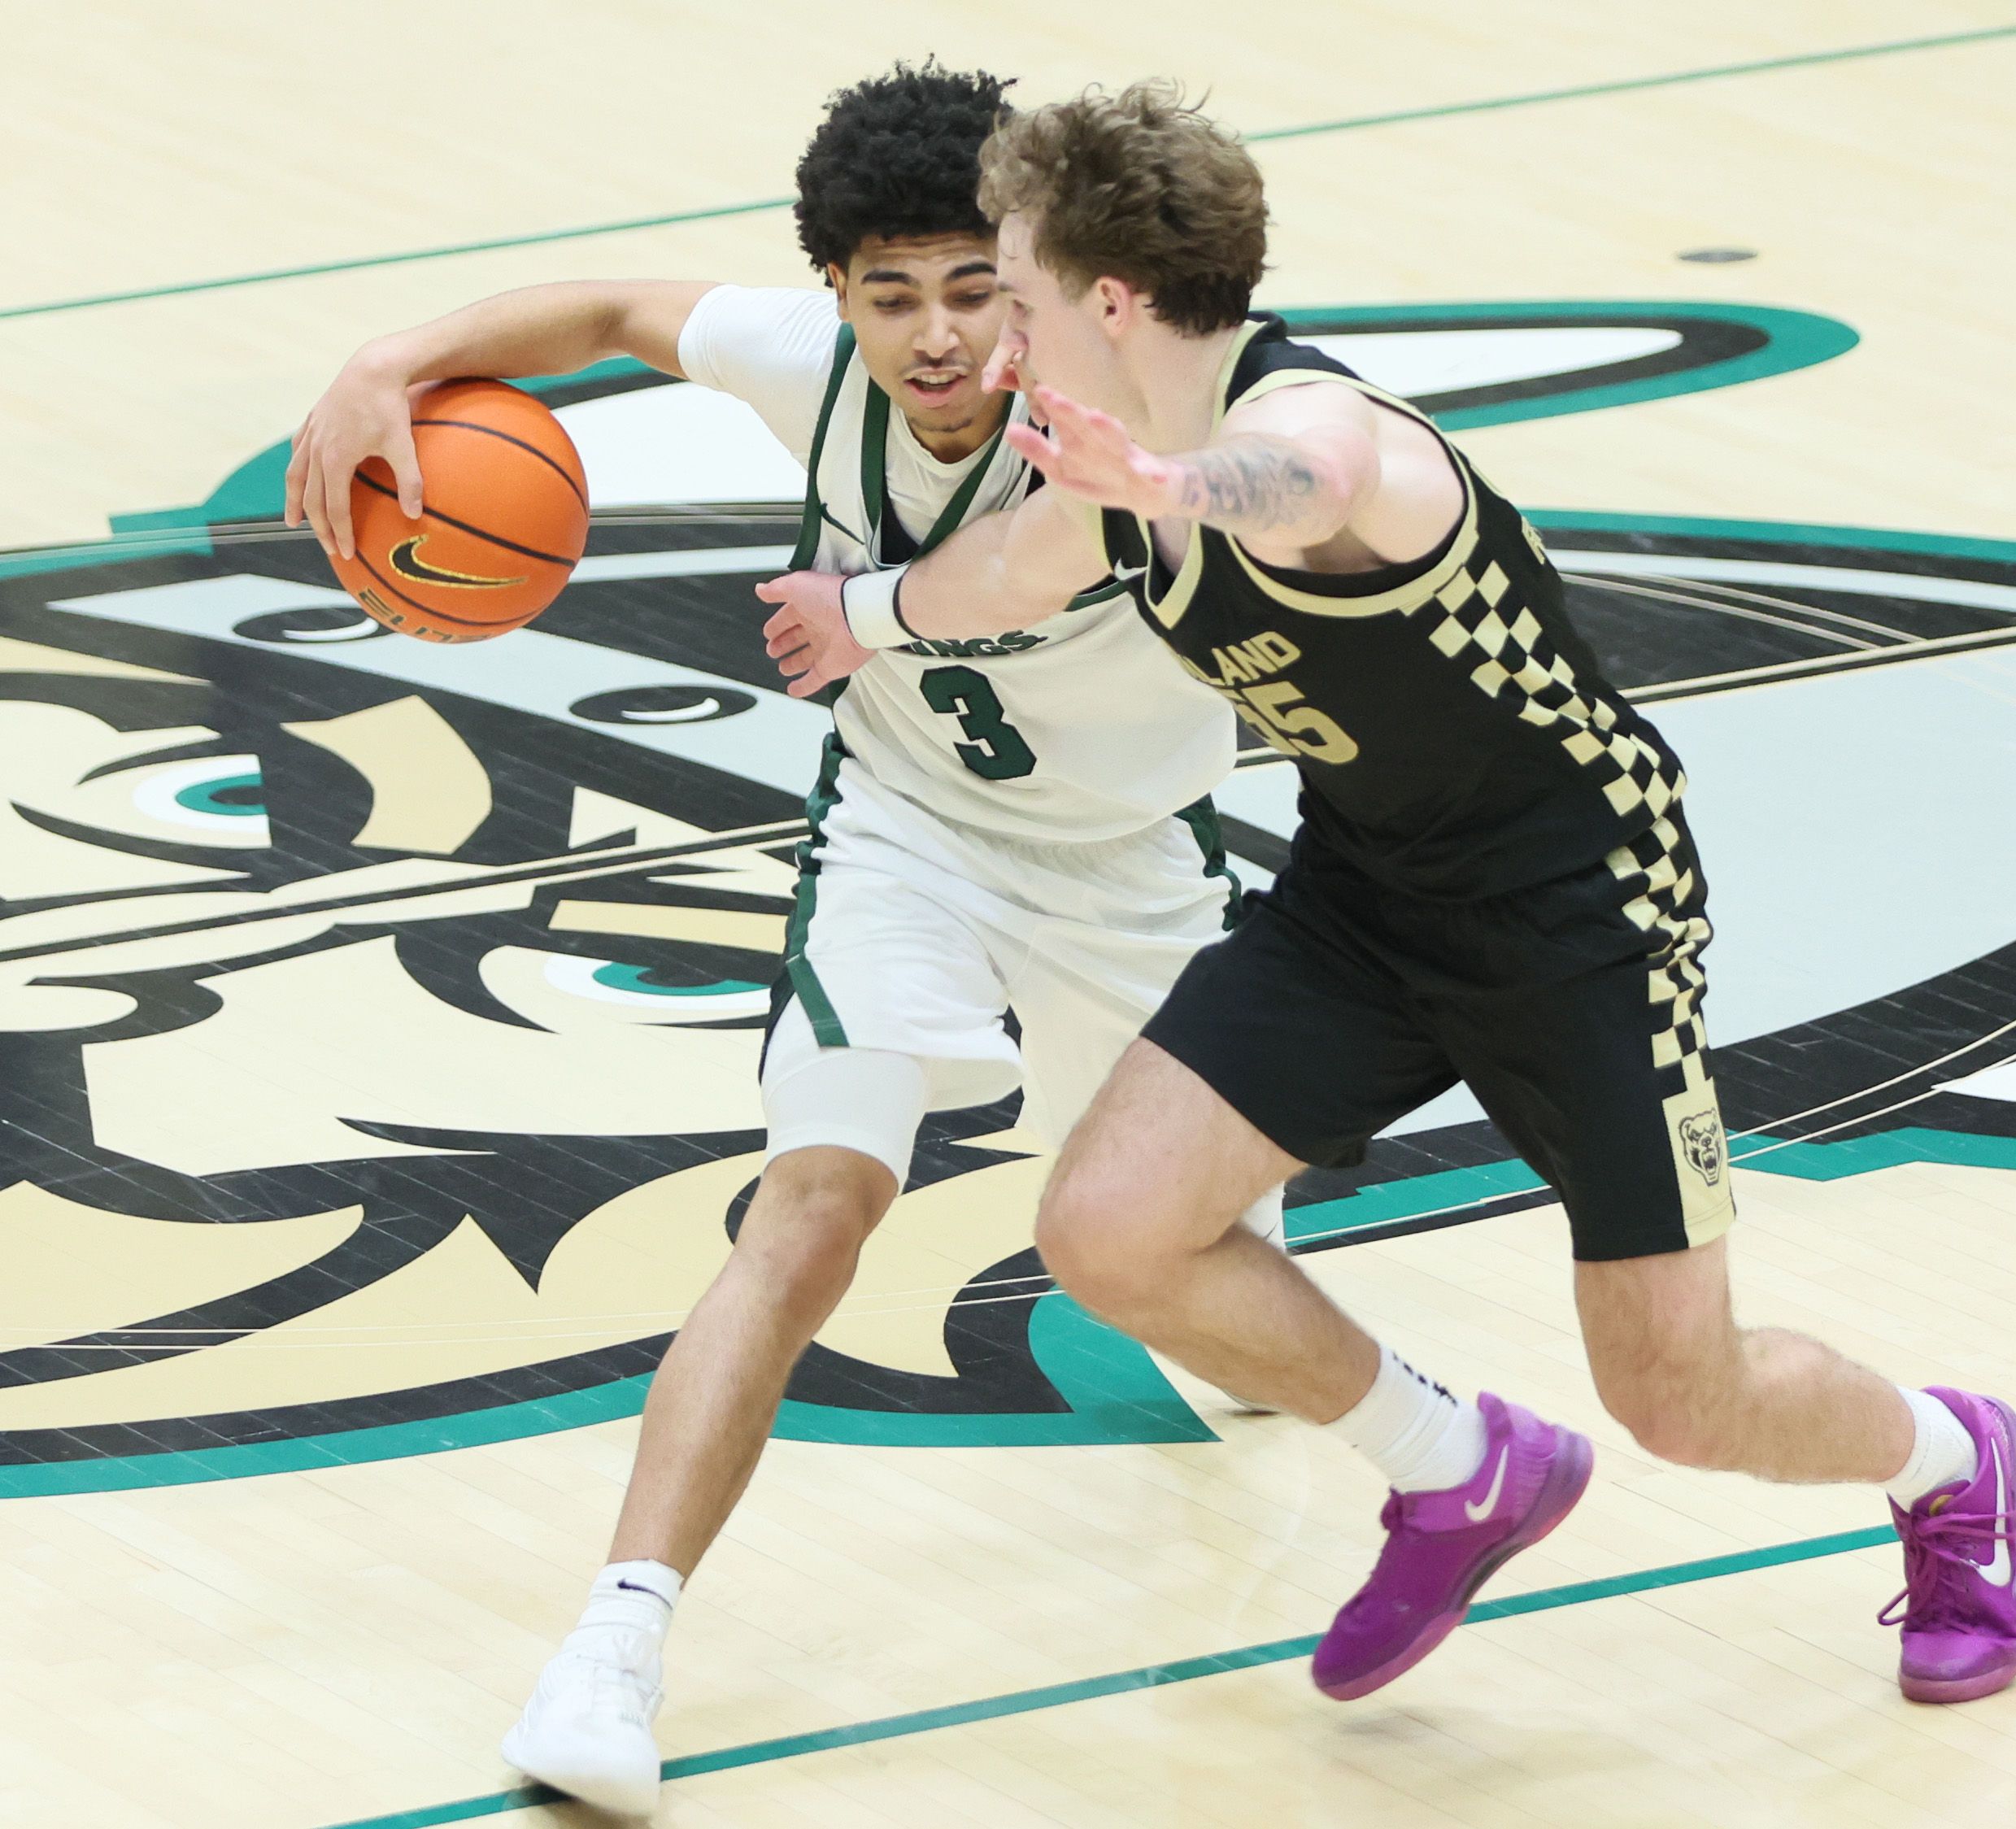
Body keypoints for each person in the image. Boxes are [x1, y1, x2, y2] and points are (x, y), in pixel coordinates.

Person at [762, 79, 2016, 1712]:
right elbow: (1001, 574)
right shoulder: (1100, 465)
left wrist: (1160, 488)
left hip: (1582, 909)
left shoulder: (1320, 430)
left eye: (1009, 280)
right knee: (1107, 1232)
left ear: (1109, 300)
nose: (991, 325)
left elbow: (1292, 494)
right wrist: (862, 609)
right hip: (1369, 892)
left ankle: (1950, 1463)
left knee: (1679, 1396)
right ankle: (1456, 1467)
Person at [288, 63, 1280, 1815]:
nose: (935, 334)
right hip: (907, 838)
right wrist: (389, 365)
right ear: (836, 294)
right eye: (890, 293)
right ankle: (616, 1640)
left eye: (976, 287)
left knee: (1211, 1298)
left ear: (1038, 276)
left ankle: (1286, 1294)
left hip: (1138, 873)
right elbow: (606, 304)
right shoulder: (803, 365)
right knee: (813, 1209)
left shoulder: (1141, 398)